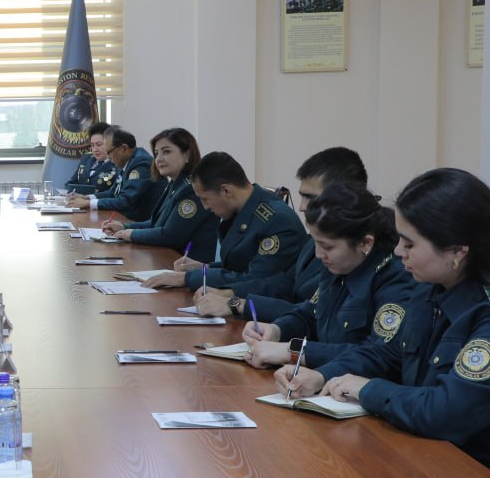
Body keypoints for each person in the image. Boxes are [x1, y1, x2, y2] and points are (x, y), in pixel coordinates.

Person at [276, 168, 490, 478]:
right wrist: (323, 376)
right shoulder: (432, 288)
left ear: (457, 251)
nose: (398, 251)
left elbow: (446, 412)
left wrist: (367, 390)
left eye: (410, 244)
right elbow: (386, 353)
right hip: (437, 460)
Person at [240, 183, 415, 368]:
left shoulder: (395, 278)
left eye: (328, 247)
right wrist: (277, 329)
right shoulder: (339, 264)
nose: (318, 254)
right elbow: (310, 314)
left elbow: (379, 354)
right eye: (316, 242)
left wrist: (294, 352)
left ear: (365, 243)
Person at [193, 147, 368, 319]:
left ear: (345, 197)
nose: (301, 207)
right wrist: (229, 294)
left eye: (311, 198)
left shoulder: (360, 256)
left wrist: (236, 304)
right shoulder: (312, 244)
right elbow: (284, 284)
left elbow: (314, 314)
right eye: (302, 196)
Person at [143, 151, 306, 291]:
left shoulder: (277, 221)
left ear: (226, 191)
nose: (205, 207)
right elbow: (241, 266)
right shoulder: (244, 208)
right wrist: (205, 268)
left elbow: (256, 281)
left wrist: (188, 278)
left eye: (205, 199)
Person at [101, 127, 217, 262]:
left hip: (189, 268)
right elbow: (156, 223)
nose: (158, 159)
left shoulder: (192, 189)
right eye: (156, 153)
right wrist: (124, 227)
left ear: (187, 155)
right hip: (168, 260)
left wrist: (131, 234)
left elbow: (170, 235)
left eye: (166, 152)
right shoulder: (175, 184)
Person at [66, 127, 159, 220]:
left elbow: (125, 201)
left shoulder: (141, 163)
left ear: (123, 149)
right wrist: (87, 197)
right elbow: (113, 192)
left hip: (139, 222)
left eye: (109, 152)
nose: (108, 157)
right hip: (124, 219)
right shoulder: (127, 161)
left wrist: (89, 203)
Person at [64, 122, 114, 195]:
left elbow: (114, 192)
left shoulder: (116, 164)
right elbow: (70, 183)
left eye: (99, 145)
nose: (95, 149)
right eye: (92, 145)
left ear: (110, 143)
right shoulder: (86, 158)